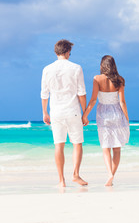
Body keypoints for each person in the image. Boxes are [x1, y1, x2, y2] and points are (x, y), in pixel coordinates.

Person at [41, 39, 88, 187]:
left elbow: (44, 94)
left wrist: (45, 112)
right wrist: (85, 113)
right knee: (77, 143)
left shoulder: (47, 69)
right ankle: (75, 175)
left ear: (56, 52)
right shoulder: (76, 68)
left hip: (55, 112)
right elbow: (81, 92)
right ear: (67, 52)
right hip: (73, 111)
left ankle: (61, 180)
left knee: (58, 145)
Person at [82, 55, 129, 186]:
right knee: (117, 148)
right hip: (117, 113)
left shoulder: (97, 79)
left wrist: (84, 115)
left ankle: (109, 173)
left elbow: (93, 100)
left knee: (105, 147)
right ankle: (112, 176)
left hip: (103, 114)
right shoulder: (120, 80)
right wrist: (126, 118)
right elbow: (122, 102)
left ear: (102, 65)